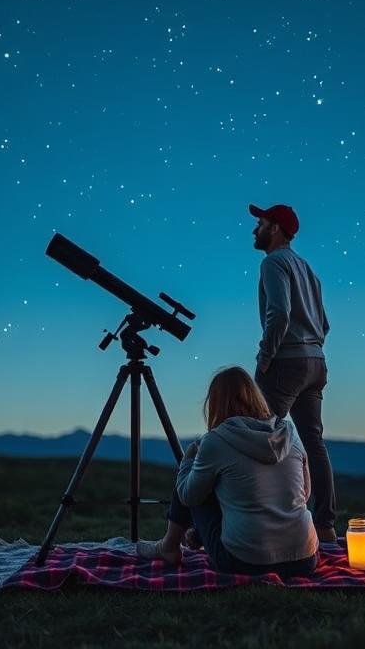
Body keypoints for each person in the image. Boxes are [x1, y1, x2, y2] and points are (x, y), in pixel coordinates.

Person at [136, 366, 318, 576]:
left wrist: (187, 461)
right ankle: (196, 537)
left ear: (214, 403)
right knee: (227, 482)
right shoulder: (289, 433)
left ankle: (168, 546)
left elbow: (188, 497)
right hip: (305, 559)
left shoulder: (216, 441)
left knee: (191, 481)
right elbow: (304, 492)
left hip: (245, 561)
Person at [249, 202, 338, 542]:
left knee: (252, 433)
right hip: (316, 362)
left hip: (287, 362)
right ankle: (326, 525)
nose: (254, 229)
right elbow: (325, 324)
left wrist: (264, 358)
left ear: (275, 229)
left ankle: (252, 522)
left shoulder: (273, 263)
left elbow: (279, 314)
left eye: (260, 223)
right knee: (313, 443)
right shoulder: (308, 269)